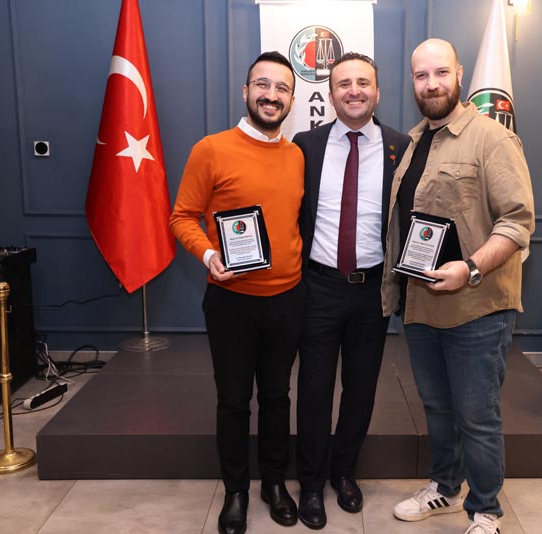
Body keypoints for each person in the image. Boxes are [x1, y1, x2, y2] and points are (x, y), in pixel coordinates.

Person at [383, 39, 535, 534]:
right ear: (412, 81)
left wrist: (469, 268)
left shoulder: (492, 139)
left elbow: (517, 222)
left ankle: (486, 511)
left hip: (477, 306)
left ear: (460, 73)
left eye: (440, 73)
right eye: (421, 75)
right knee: (438, 408)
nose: (431, 84)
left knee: (477, 416)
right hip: (421, 305)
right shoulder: (414, 143)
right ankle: (446, 489)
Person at [170, 51, 305, 534]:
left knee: (276, 397)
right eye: (262, 85)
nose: (271, 95)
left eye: (282, 88)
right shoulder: (210, 149)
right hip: (231, 302)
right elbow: (182, 217)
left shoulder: (297, 156)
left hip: (288, 298)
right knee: (233, 401)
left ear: (292, 99)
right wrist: (209, 255)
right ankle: (235, 491)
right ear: (246, 92)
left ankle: (274, 483)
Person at [292, 52, 409, 530]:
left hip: (372, 291)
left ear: (377, 92)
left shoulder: (402, 147)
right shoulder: (306, 145)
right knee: (314, 390)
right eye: (344, 83)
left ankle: (345, 472)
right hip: (319, 287)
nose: (354, 90)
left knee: (361, 389)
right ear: (330, 93)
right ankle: (311, 482)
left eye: (363, 82)